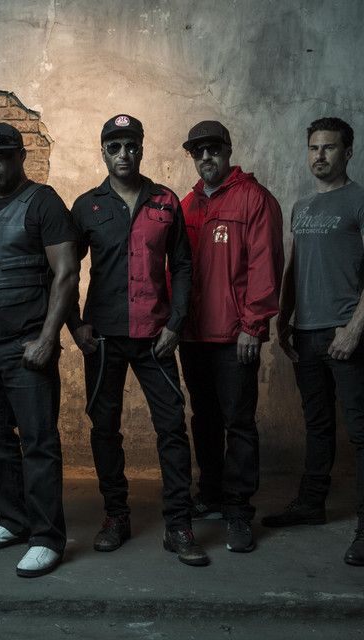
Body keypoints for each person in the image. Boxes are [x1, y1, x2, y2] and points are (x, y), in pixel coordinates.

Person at [68, 114, 208, 566]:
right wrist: (74, 323)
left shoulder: (165, 200)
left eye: (131, 145)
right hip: (104, 337)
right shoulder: (87, 206)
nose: (123, 154)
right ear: (103, 152)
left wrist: (176, 324)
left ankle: (178, 524)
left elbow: (182, 266)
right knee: (105, 427)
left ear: (142, 149)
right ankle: (116, 515)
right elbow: (64, 270)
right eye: (115, 147)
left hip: (155, 337)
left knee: (171, 427)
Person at [0, 122, 78, 578]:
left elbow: (66, 273)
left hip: (25, 347)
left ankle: (47, 538)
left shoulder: (44, 202)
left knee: (38, 442)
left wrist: (47, 339)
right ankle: (13, 520)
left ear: (21, 156)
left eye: (2, 156)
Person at [263, 117, 364, 566]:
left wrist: (355, 328)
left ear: (347, 152)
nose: (319, 155)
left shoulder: (359, 200)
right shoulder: (302, 205)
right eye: (313, 148)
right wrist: (284, 317)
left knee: (360, 432)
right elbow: (295, 265)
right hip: (306, 333)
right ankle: (311, 504)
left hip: (346, 333)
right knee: (318, 426)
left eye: (329, 147)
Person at [179, 120, 284, 553]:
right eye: (198, 151)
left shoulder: (255, 199)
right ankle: (212, 495)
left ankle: (239, 511)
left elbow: (265, 265)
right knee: (203, 419)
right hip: (192, 336)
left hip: (235, 336)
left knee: (238, 424)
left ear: (227, 151)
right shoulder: (187, 205)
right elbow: (176, 271)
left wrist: (253, 326)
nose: (206, 157)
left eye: (213, 149)